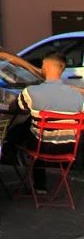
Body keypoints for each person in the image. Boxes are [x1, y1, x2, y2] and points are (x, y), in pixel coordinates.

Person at [13, 52, 84, 188]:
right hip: (68, 148)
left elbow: (18, 106)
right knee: (40, 126)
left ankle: (40, 186)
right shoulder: (78, 96)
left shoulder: (31, 91)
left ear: (45, 67)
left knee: (29, 126)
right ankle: (67, 180)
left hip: (41, 147)